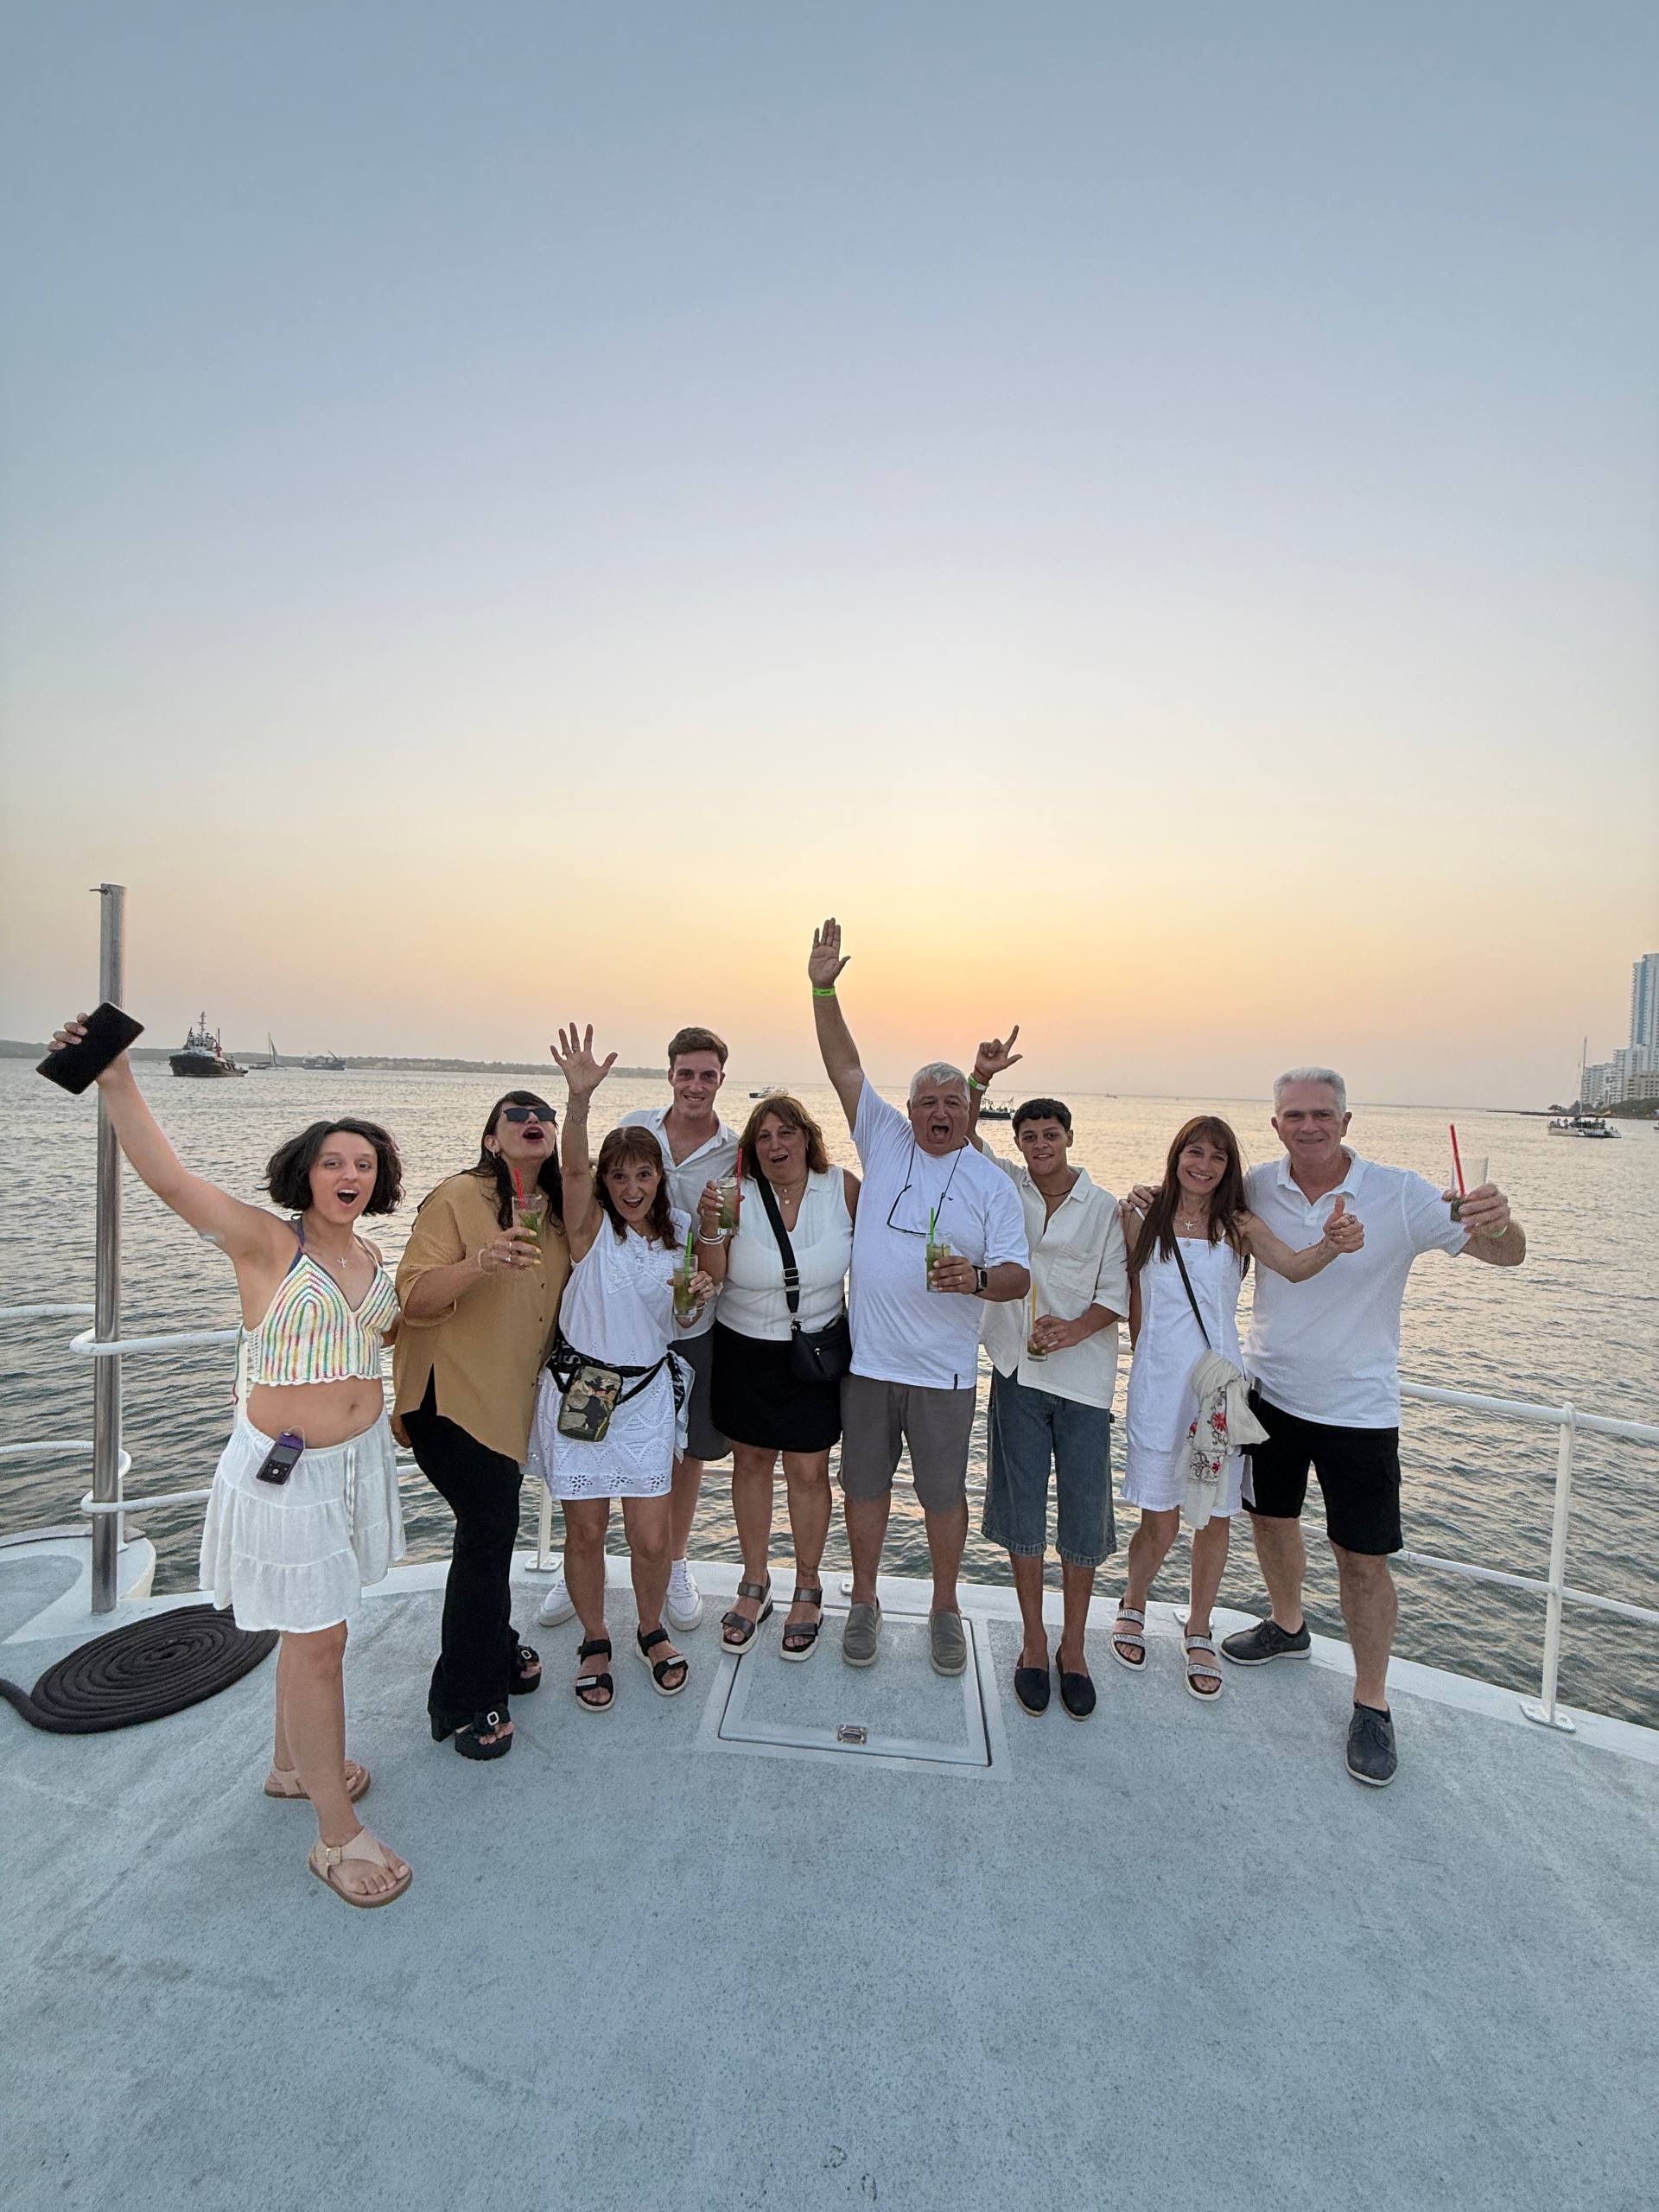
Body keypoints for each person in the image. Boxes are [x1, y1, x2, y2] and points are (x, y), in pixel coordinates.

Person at [48, 1014, 411, 1908]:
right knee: (320, 1645)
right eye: (333, 1161)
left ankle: (291, 1766)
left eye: (365, 1163)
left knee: (309, 1627)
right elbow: (171, 1180)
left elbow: (379, 1338)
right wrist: (118, 1079)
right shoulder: (266, 1243)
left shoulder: (369, 1253)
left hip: (354, 1465)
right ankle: (336, 1836)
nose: (350, 1174)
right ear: (304, 1172)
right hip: (288, 1473)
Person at [1216, 1067, 1525, 1785]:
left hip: (1360, 1410)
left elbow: (1508, 1255)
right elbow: (1192, 1203)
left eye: (1322, 1114)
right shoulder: (1255, 1186)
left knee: (1362, 1558)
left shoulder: (1400, 1193)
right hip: (1269, 1392)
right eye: (1295, 1115)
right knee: (1270, 1520)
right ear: (1276, 1125)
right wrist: (1143, 1199)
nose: (1309, 1126)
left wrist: (1498, 1222)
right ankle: (1288, 1625)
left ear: (1347, 1122)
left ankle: (1372, 1702)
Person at [808, 919, 1029, 1675]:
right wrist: (823, 989)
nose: (939, 1113)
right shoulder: (885, 1140)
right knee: (864, 1490)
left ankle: (945, 1607)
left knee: (942, 1498)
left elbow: (1017, 1275)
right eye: (927, 1102)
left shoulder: (990, 1184)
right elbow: (843, 1066)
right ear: (907, 1111)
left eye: (952, 1103)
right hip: (868, 1365)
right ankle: (865, 1600)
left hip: (944, 1373)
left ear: (970, 1111)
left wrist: (976, 1279)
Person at [1113, 1115, 1364, 1705]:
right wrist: (1141, 1361)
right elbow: (1134, 1300)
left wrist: (1332, 1243)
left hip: (1218, 1390)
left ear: (1228, 1168)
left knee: (1215, 1516)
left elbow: (1295, 1267)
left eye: (1218, 1157)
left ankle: (1199, 1628)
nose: (1204, 1165)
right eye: (1194, 1152)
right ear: (1177, 1156)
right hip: (1159, 1385)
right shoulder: (1140, 1216)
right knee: (1160, 1519)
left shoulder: (1238, 1224)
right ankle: (1133, 1601)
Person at [527, 1025, 715, 1707]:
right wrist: (577, 1102)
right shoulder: (589, 1228)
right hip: (585, 1389)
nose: (632, 1187)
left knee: (652, 1536)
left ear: (660, 1177)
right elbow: (572, 1169)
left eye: (643, 1174)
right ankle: (595, 1637)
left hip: (646, 1397)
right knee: (584, 1529)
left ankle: (649, 1628)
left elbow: (682, 1321)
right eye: (619, 1176)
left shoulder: (681, 1235)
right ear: (605, 1182)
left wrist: (696, 1299)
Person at [392, 1092, 570, 1761]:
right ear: (492, 1139)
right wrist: (479, 1263)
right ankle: (464, 1697)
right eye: (515, 1115)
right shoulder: (457, 1196)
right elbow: (412, 1297)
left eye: (543, 1114)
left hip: (507, 1404)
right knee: (487, 1532)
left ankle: (496, 1644)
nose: (533, 1120)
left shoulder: (555, 1211)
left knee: (493, 1530)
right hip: (449, 1398)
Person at [963, 1032, 1128, 1720]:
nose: (1039, 1144)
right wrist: (979, 1079)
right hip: (1016, 1373)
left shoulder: (1108, 1208)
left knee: (1084, 1519)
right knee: (1021, 1511)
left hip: (1084, 1384)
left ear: (1069, 1137)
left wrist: (1075, 1329)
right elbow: (961, 1133)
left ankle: (1074, 1646)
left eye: (1049, 1134)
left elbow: (1117, 1292)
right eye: (1028, 1135)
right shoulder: (1008, 1187)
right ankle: (1033, 1640)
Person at [698, 1095, 859, 1659]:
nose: (776, 1145)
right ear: (752, 1148)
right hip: (743, 1350)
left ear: (807, 1138)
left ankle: (808, 1585)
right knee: (751, 1464)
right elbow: (712, 1275)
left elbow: (880, 1260)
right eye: (764, 1136)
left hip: (815, 1354)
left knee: (809, 1472)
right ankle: (755, 1581)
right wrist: (710, 1228)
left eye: (786, 1132)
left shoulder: (842, 1189)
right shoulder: (733, 1193)